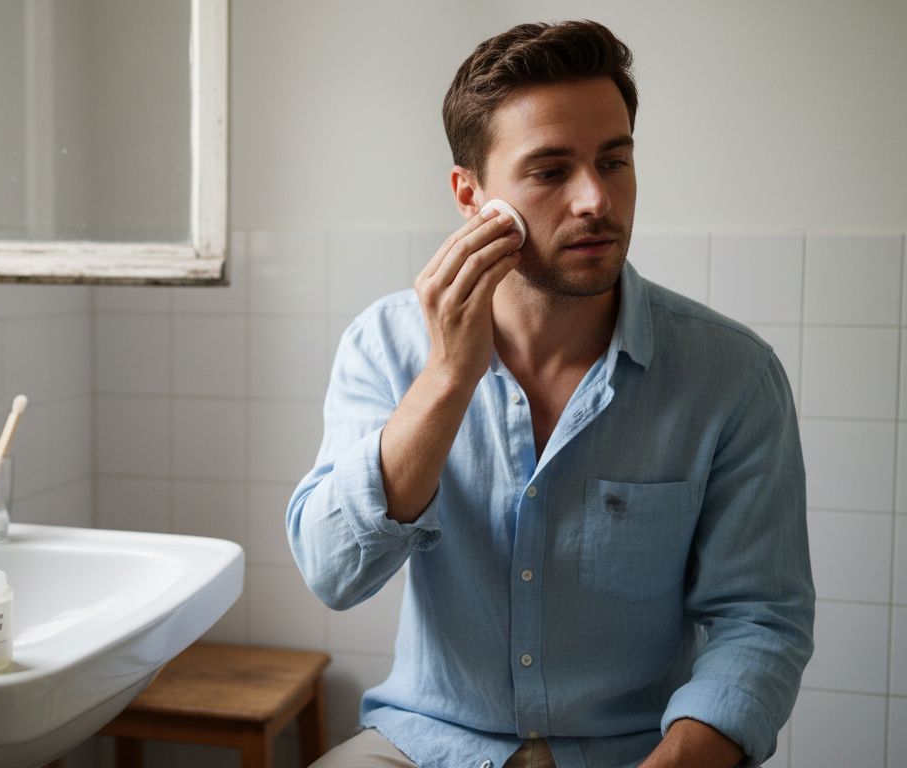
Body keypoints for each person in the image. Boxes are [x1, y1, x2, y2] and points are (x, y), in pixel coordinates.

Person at [286, 19, 814, 768]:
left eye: (615, 160)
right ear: (471, 196)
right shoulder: (386, 346)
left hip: (637, 751)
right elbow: (334, 573)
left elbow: (761, 620)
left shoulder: (730, 376)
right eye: (550, 170)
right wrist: (447, 377)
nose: (596, 199)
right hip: (427, 744)